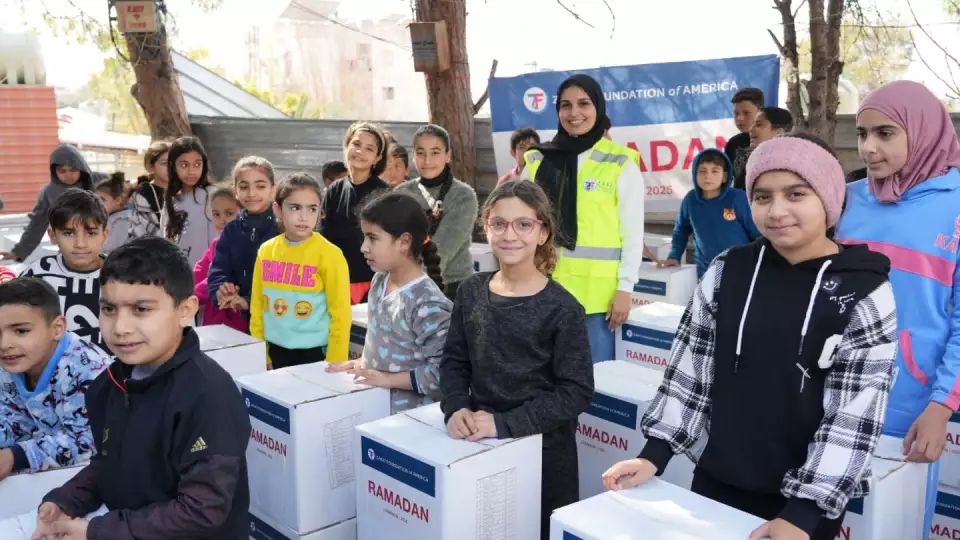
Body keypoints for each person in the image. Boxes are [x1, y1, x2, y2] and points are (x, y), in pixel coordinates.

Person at [601, 133, 898, 540]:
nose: (777, 211)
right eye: (762, 197)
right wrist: (654, 454)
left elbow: (855, 413)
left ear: (828, 199)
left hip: (803, 510)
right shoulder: (728, 271)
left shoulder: (865, 290)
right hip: (717, 482)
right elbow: (691, 369)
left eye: (796, 194)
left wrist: (803, 514)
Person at [34, 237, 252, 539]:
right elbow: (109, 463)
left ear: (185, 311)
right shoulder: (107, 385)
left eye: (141, 309)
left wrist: (98, 531)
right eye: (109, 309)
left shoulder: (208, 395)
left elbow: (202, 508)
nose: (120, 327)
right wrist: (68, 499)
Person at [835, 80, 960, 536]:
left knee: (894, 526)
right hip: (832, 395)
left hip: (907, 408)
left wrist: (941, 407)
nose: (868, 147)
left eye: (885, 133)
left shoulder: (957, 207)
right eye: (863, 133)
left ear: (923, 131)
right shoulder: (846, 200)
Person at [441, 180, 594, 540]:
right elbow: (453, 360)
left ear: (542, 233)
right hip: (478, 446)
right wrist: (455, 407)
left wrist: (503, 424)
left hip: (543, 458)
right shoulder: (471, 290)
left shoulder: (563, 309)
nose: (510, 234)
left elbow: (576, 392)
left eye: (524, 224)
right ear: (486, 228)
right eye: (499, 224)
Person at [520, 74, 645, 363]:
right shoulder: (537, 160)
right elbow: (521, 227)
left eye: (583, 103)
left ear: (598, 107)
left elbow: (632, 231)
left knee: (595, 387)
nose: (574, 113)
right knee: (545, 383)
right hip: (542, 292)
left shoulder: (620, 161)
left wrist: (626, 288)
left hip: (597, 301)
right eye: (565, 105)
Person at [326, 191, 452, 413]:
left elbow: (442, 374)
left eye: (373, 238)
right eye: (364, 237)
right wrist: (364, 365)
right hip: (374, 409)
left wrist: (387, 379)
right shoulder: (379, 280)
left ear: (404, 242)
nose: (363, 247)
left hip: (409, 422)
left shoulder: (428, 303)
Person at [0, 277, 110, 480]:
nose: (5, 344)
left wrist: (16, 457)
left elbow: (89, 442)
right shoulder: (10, 365)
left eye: (21, 331)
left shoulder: (84, 371)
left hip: (101, 479)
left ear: (57, 328)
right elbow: (15, 422)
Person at [251, 173, 351, 368]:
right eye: (295, 208)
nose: (303, 217)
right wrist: (260, 353)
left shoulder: (330, 254)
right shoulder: (266, 251)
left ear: (320, 212)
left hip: (316, 354)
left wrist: (336, 360)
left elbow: (340, 313)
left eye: (312, 209)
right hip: (275, 350)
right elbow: (257, 307)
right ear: (277, 209)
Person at [395, 124, 479, 300]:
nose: (427, 161)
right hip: (406, 285)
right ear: (413, 155)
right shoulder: (401, 193)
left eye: (435, 152)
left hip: (454, 288)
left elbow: (443, 249)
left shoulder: (463, 195)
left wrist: (410, 282)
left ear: (447, 155)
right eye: (420, 153)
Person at [21, 189, 110, 353]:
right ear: (52, 235)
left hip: (113, 371)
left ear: (105, 234)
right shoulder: (39, 274)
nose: (80, 244)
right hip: (52, 371)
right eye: (68, 233)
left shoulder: (121, 273)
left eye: (91, 233)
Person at [658, 149, 761, 278]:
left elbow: (758, 234)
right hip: (705, 273)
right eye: (702, 171)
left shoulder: (737, 198)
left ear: (724, 176)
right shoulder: (690, 200)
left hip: (741, 270)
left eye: (715, 171)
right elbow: (681, 230)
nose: (708, 176)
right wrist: (674, 255)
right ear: (695, 174)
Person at [320, 122, 391, 304]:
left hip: (370, 283)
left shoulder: (384, 194)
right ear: (347, 146)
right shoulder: (334, 190)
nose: (360, 152)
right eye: (356, 144)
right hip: (335, 280)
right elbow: (323, 236)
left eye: (369, 149)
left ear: (377, 158)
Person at [206, 157, 279, 331]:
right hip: (243, 323)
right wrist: (222, 291)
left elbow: (282, 280)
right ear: (235, 191)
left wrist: (248, 300)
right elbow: (218, 270)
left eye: (260, 186)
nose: (251, 193)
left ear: (273, 190)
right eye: (244, 187)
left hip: (278, 319)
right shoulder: (231, 230)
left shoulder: (282, 228)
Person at [1, 144, 103, 262]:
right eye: (62, 171)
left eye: (73, 170)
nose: (68, 175)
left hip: (103, 246)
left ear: (81, 167)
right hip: (70, 249)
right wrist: (18, 252)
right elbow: (37, 224)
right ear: (54, 171)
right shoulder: (49, 193)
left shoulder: (100, 182)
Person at [161, 136, 217, 267]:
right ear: (173, 166)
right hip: (177, 275)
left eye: (197, 164)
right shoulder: (171, 200)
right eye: (184, 165)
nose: (192, 171)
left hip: (206, 275)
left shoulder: (211, 195)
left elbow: (217, 241)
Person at [193, 184, 244, 330]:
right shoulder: (216, 243)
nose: (222, 220)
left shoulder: (244, 245)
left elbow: (215, 277)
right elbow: (200, 270)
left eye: (229, 213)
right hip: (213, 315)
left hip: (235, 315)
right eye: (216, 214)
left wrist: (193, 295)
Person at [724, 87, 764, 190]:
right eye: (736, 113)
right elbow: (725, 179)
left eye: (746, 113)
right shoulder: (733, 143)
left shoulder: (774, 142)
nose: (740, 118)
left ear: (760, 112)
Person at [130, 140, 171, 239]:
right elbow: (152, 231)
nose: (171, 168)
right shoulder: (144, 192)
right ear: (150, 167)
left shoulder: (183, 191)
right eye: (165, 163)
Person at [95, 172, 135, 253]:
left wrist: (91, 247)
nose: (97, 203)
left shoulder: (124, 219)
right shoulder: (111, 215)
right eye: (97, 199)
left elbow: (111, 246)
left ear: (118, 200)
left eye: (102, 199)